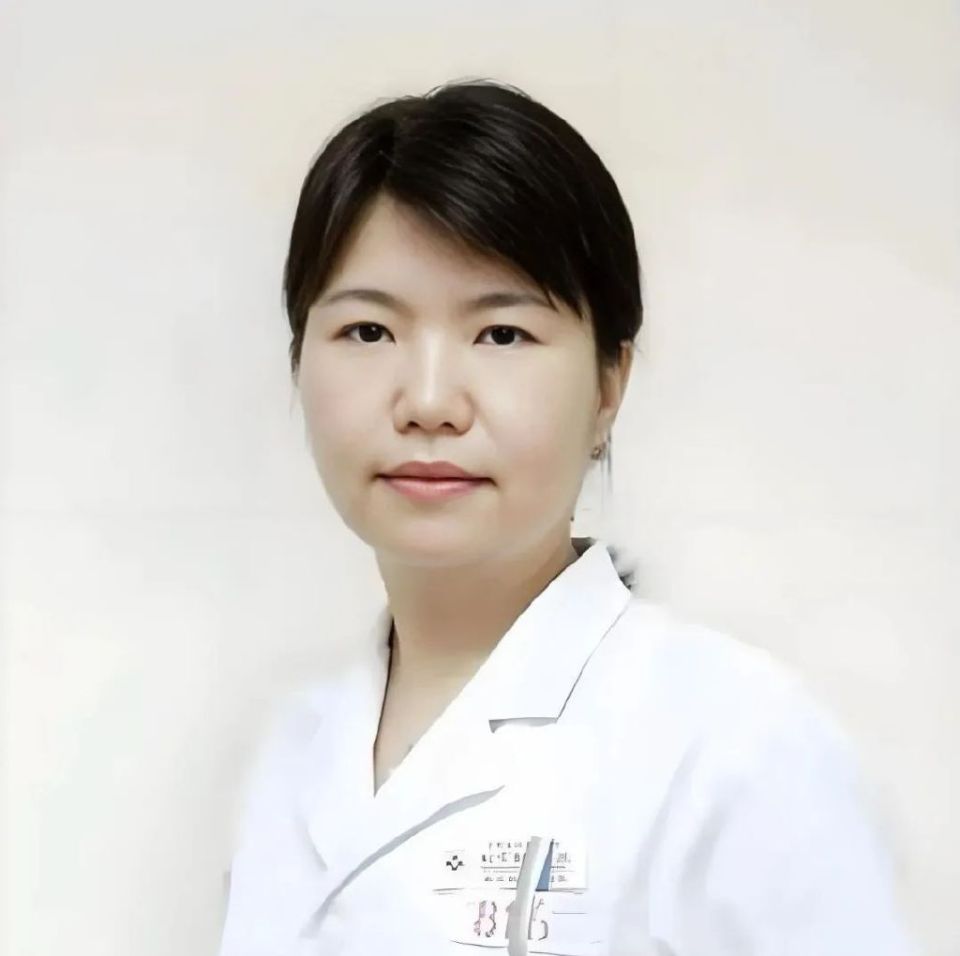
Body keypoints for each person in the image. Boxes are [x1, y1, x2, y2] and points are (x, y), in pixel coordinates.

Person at [217, 80, 917, 955]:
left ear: (609, 384)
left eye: (501, 334)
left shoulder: (737, 746)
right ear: (299, 358)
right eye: (368, 331)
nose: (428, 402)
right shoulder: (291, 746)